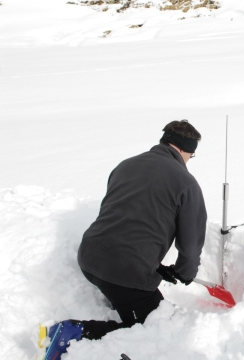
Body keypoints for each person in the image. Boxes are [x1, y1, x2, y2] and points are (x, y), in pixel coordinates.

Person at [39, 120, 207, 360]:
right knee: (158, 326)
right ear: (183, 149)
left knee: (129, 295)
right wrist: (186, 273)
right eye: (192, 154)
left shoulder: (125, 166)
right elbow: (190, 247)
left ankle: (121, 300)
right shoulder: (186, 183)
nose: (190, 160)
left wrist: (157, 267)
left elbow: (124, 220)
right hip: (123, 273)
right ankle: (69, 333)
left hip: (89, 257)